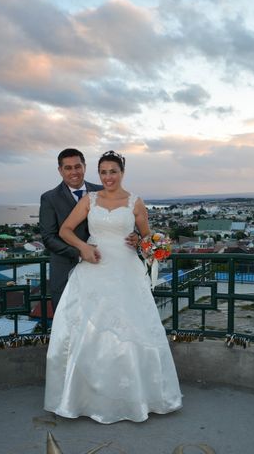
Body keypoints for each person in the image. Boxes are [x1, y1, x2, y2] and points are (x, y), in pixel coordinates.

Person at [44, 150, 182, 423]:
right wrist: (84, 247)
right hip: (93, 267)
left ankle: (137, 397)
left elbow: (147, 239)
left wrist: (141, 241)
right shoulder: (89, 199)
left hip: (126, 271)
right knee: (89, 332)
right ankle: (85, 399)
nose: (108, 177)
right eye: (103, 172)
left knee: (132, 328)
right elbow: (64, 231)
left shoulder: (135, 202)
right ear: (99, 174)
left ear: (122, 173)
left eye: (113, 172)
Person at [39, 149, 137, 310]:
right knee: (69, 322)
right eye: (68, 168)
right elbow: (49, 238)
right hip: (66, 268)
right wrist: (80, 251)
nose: (74, 172)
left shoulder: (103, 190)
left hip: (106, 268)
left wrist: (136, 236)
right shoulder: (49, 198)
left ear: (84, 166)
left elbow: (124, 220)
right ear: (60, 170)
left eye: (77, 166)